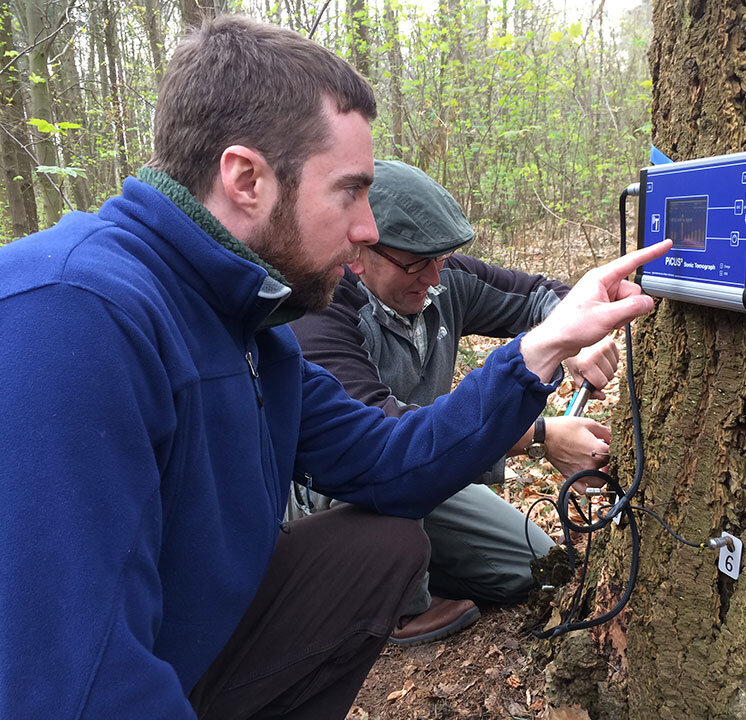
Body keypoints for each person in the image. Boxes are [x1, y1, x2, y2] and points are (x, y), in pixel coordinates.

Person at [0, 14, 671, 720]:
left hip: (193, 642)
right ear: (246, 179)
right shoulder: (69, 313)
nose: (369, 229)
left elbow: (391, 460)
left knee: (380, 548)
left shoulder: (250, 326)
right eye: (349, 191)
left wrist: (542, 348)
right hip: (109, 678)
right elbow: (64, 679)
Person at [291, 159, 619, 645]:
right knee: (389, 490)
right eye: (414, 262)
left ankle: (417, 559)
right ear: (360, 251)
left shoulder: (442, 280)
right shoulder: (321, 311)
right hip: (343, 485)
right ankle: (386, 606)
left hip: (427, 465)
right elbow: (379, 437)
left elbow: (541, 295)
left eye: (441, 257)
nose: (432, 276)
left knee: (533, 564)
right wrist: (541, 436)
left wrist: (575, 338)